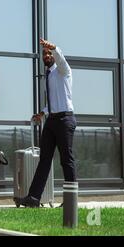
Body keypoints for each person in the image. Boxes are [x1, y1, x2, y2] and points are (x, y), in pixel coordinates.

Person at [16, 38, 77, 208]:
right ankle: (33, 198)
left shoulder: (64, 71)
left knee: (66, 160)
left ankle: (71, 200)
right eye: (45, 53)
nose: (47, 55)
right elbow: (52, 101)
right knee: (44, 159)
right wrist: (42, 112)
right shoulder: (48, 76)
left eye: (50, 53)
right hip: (51, 120)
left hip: (65, 120)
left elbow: (62, 59)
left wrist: (55, 47)